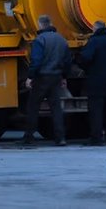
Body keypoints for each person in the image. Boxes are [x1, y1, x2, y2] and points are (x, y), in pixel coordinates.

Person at [22, 14, 72, 146]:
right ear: (50, 23)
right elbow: (67, 61)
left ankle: (29, 136)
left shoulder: (40, 40)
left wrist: (30, 77)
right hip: (56, 77)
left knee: (33, 106)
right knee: (56, 108)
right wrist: (64, 76)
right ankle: (60, 138)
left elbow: (36, 61)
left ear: (40, 24)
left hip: (41, 77)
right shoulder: (61, 40)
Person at [78, 20, 106, 146]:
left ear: (95, 29)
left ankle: (96, 138)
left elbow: (85, 58)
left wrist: (85, 68)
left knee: (96, 110)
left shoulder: (94, 42)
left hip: (95, 81)